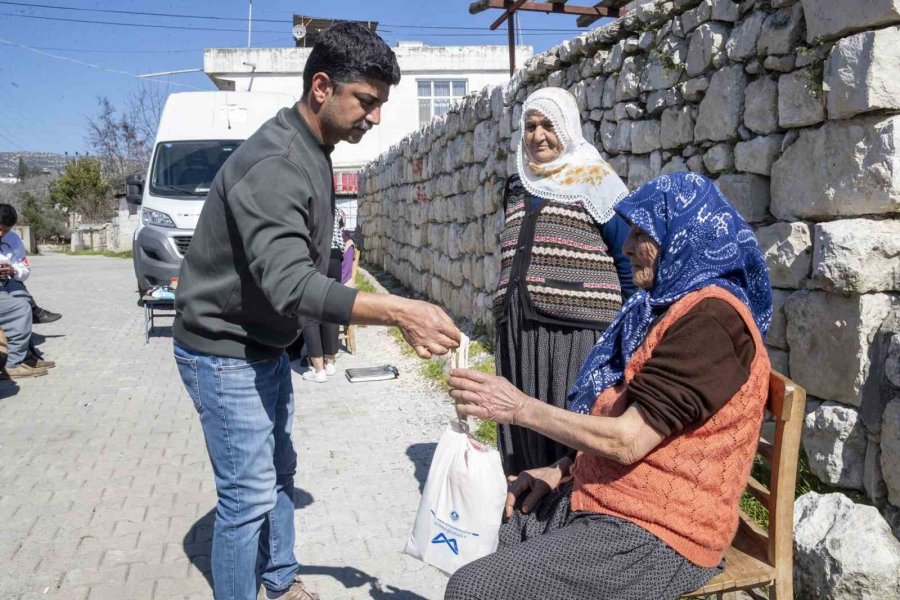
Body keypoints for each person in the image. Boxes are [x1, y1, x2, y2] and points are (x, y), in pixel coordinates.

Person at [172, 23, 459, 600]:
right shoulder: (277, 163)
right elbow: (290, 284)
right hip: (224, 351)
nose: (375, 117)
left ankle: (279, 583)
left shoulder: (313, 149)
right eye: (367, 102)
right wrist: (400, 310)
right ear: (322, 87)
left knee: (278, 475)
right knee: (246, 499)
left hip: (266, 346)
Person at [447, 172, 773, 600]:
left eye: (642, 233)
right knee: (493, 527)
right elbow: (630, 418)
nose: (626, 246)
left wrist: (518, 408)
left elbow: (628, 441)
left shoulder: (713, 321)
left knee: (473, 590)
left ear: (683, 234)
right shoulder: (663, 307)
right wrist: (563, 468)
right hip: (611, 500)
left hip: (660, 533)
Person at [492, 87, 635, 475]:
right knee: (522, 431)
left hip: (576, 336)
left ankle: (567, 523)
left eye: (549, 125)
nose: (538, 135)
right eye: (531, 125)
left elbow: (629, 257)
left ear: (568, 128)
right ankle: (523, 519)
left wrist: (629, 332)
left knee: (567, 433)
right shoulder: (518, 184)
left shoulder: (595, 179)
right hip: (520, 333)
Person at [0, 204, 53, 379]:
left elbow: (25, 269)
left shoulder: (14, 239)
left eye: (5, 231)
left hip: (10, 281)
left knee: (22, 298)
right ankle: (12, 363)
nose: (2, 234)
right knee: (20, 309)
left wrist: (14, 271)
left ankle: (27, 356)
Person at [299, 209, 346, 383]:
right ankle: (331, 363)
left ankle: (318, 370)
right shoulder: (336, 208)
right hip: (334, 258)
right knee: (330, 310)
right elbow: (342, 227)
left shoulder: (306, 206)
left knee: (309, 313)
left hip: (315, 257)